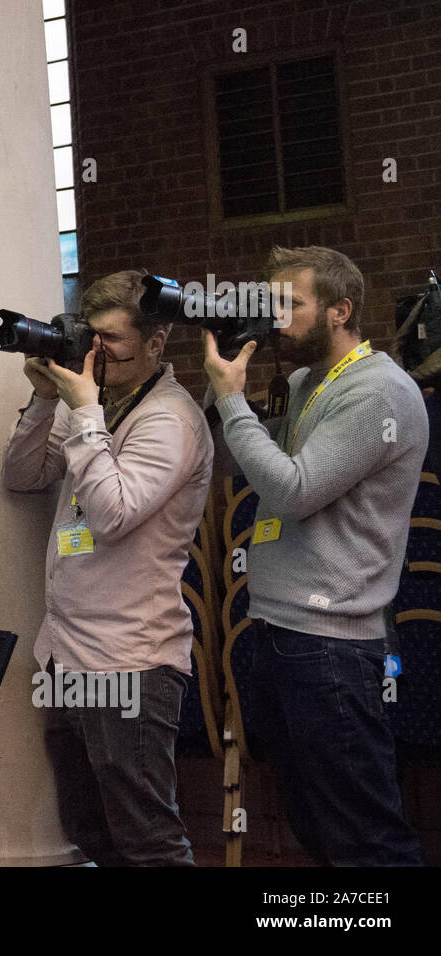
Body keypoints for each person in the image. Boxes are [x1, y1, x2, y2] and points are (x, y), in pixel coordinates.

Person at [203, 245, 426, 866]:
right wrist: (224, 386)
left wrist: (231, 401)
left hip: (335, 643)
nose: (275, 318)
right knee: (314, 823)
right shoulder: (305, 381)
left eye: (289, 305)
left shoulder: (380, 392)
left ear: (340, 311)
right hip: (277, 627)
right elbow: (240, 462)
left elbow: (291, 490)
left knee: (366, 838)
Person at [2, 270, 209, 866]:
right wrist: (48, 399)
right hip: (67, 654)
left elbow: (114, 514)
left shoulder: (170, 419)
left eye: (114, 340)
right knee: (92, 835)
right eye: (92, 336)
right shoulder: (90, 405)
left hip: (132, 662)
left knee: (149, 841)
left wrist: (86, 414)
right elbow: (20, 476)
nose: (98, 352)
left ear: (156, 343)